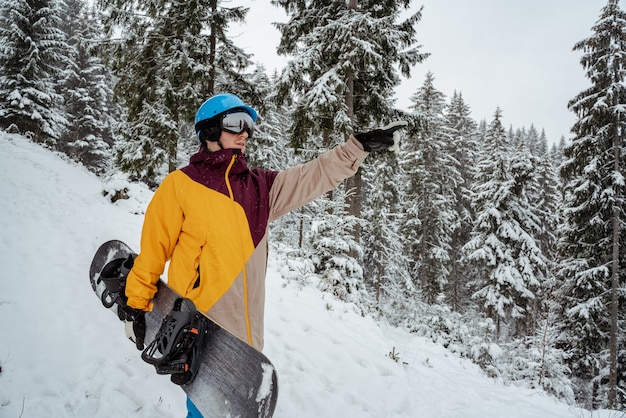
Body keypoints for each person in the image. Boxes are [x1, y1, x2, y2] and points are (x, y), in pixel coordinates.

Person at [121, 93, 406, 417]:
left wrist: (359, 146)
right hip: (197, 329)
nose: (245, 133)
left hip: (246, 340)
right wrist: (136, 308)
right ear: (210, 131)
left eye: (249, 126)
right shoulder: (180, 185)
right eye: (236, 123)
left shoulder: (260, 188)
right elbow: (153, 252)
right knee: (203, 411)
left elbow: (314, 175)